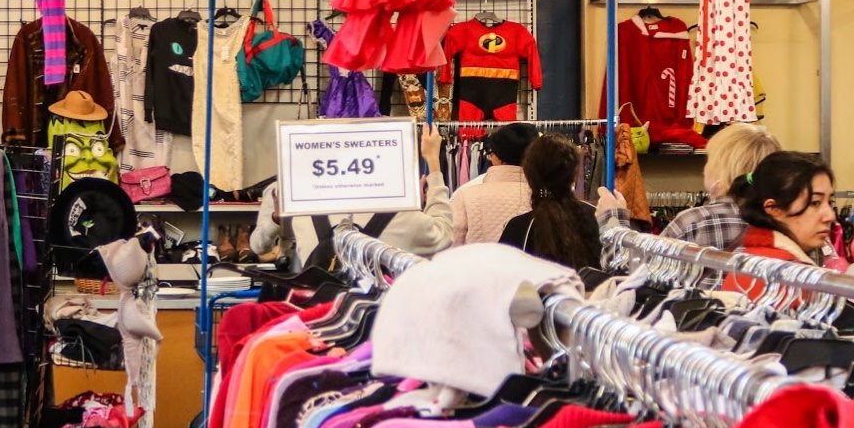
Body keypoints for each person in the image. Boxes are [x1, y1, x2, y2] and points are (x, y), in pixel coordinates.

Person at [252, 125, 456, 266]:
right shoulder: (405, 217)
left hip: (323, 321)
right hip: (383, 321)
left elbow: (259, 248)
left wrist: (277, 219)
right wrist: (433, 163)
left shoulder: (302, 212)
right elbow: (444, 235)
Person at [595, 122, 782, 247]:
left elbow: (637, 271)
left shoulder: (693, 221)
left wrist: (613, 220)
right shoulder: (781, 223)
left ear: (719, 171)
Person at [725, 152, 838, 294]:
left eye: (830, 202)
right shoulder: (783, 273)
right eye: (815, 203)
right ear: (774, 209)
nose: (830, 216)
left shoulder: (754, 258)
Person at [498, 134, 602, 272]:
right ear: (574, 173)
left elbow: (505, 280)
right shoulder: (596, 216)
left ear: (529, 175)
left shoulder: (518, 228)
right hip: (591, 292)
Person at [449, 121, 537, 245]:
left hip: (477, 264)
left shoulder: (466, 195)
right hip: (532, 264)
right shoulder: (544, 195)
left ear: (497, 156)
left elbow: (451, 245)